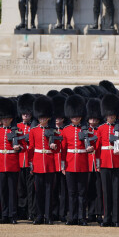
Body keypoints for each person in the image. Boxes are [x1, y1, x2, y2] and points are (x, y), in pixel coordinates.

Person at [0, 98, 25, 224]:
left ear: (11, 118)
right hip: (0, 164)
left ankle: (13, 215)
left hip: (13, 164)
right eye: (3, 118)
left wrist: (19, 148)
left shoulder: (17, 131)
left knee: (12, 191)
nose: (5, 120)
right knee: (3, 191)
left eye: (7, 118)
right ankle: (4, 215)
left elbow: (24, 146)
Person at [96, 93, 119, 227]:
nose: (111, 117)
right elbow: (97, 147)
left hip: (117, 162)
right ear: (106, 115)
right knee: (106, 192)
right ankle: (106, 218)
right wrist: (97, 163)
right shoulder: (101, 128)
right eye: (109, 115)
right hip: (104, 162)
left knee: (116, 192)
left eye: (113, 115)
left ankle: (116, 219)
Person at [62, 94, 94, 226]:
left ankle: (82, 217)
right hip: (70, 164)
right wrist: (63, 166)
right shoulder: (66, 130)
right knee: (71, 193)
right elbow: (63, 150)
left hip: (82, 164)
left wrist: (91, 148)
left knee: (82, 193)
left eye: (78, 116)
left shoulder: (87, 130)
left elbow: (93, 145)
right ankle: (72, 217)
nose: (76, 118)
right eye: (74, 116)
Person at [28, 96, 60, 225]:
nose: (42, 120)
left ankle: (49, 216)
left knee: (49, 191)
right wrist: (31, 165)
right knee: (39, 191)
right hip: (37, 163)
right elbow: (31, 148)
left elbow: (58, 150)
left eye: (44, 118)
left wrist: (55, 146)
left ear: (48, 118)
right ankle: (39, 215)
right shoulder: (33, 131)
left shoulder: (53, 131)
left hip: (49, 163)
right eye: (40, 118)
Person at [17, 93, 36, 221]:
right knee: (20, 188)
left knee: (31, 188)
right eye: (24, 113)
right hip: (19, 161)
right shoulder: (17, 127)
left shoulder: (34, 127)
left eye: (28, 113)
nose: (25, 115)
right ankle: (22, 211)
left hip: (30, 161)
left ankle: (31, 212)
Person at [86, 98, 103, 223]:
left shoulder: (100, 130)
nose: (93, 121)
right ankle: (90, 213)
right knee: (88, 189)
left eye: (95, 119)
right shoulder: (84, 130)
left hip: (98, 162)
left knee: (99, 189)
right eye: (91, 119)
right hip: (86, 163)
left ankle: (98, 213)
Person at [51, 94, 68, 222]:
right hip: (52, 162)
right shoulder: (50, 130)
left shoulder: (66, 130)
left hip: (64, 162)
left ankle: (62, 213)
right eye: (56, 117)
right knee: (53, 189)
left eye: (60, 117)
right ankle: (54, 212)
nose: (57, 119)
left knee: (64, 190)